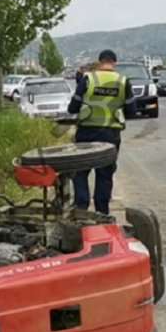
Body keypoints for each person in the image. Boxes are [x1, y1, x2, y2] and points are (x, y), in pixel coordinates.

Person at [67, 50, 138, 214]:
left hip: (86, 132)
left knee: (81, 170)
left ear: (99, 62)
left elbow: (73, 107)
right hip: (110, 135)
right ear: (115, 63)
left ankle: (81, 208)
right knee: (105, 173)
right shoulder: (122, 81)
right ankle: (102, 212)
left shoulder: (88, 79)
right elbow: (132, 111)